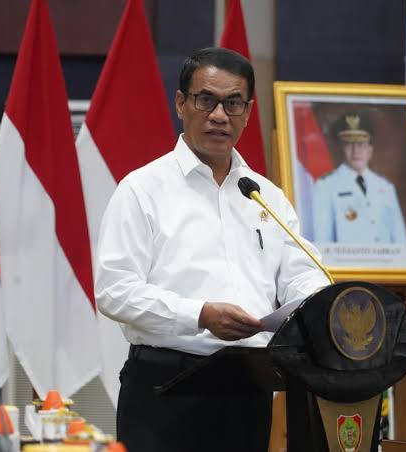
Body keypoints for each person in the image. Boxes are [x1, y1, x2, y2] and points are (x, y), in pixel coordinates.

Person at [94, 47, 329, 452]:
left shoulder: (264, 195)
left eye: (233, 103)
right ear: (181, 103)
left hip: (249, 387)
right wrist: (200, 314)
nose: (220, 115)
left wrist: (314, 301)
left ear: (248, 112)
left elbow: (302, 274)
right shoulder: (142, 189)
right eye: (206, 100)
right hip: (166, 389)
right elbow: (115, 291)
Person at [312, 112, 406, 244]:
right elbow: (322, 240)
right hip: (345, 258)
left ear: (370, 150)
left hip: (385, 258)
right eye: (349, 144)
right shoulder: (325, 186)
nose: (355, 151)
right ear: (341, 148)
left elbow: (400, 238)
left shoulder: (386, 187)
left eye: (361, 144)